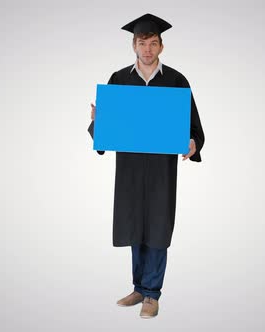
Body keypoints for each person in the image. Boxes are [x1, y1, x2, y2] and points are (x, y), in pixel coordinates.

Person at [87, 13, 205, 319]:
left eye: (153, 43)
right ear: (134, 45)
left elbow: (194, 127)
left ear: (161, 46)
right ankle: (139, 288)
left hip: (161, 171)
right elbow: (104, 133)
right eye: (142, 43)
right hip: (130, 169)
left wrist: (193, 143)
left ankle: (152, 294)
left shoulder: (177, 81)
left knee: (157, 227)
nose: (148, 49)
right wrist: (97, 124)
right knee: (134, 226)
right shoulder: (119, 80)